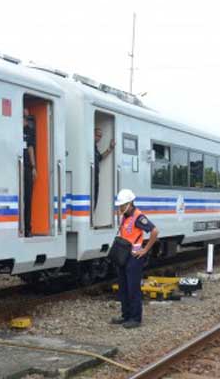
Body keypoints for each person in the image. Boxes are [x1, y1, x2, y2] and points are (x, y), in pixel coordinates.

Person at [111, 189, 159, 329]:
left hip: (134, 257)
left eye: (122, 205)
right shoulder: (125, 216)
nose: (120, 208)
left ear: (130, 203)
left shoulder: (139, 217)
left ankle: (135, 318)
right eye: (119, 205)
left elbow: (154, 231)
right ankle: (125, 315)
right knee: (123, 287)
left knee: (133, 288)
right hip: (124, 256)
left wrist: (145, 250)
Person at [23, 108, 37, 237]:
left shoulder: (29, 131)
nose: (26, 121)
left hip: (26, 167)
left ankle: (27, 228)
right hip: (16, 168)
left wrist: (33, 167)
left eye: (27, 119)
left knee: (27, 198)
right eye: (24, 118)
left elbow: (30, 148)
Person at [94, 128, 115, 210]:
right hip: (91, 179)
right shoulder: (89, 145)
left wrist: (110, 148)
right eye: (97, 135)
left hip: (95, 179)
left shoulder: (95, 147)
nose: (99, 138)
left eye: (100, 136)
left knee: (95, 201)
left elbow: (100, 157)